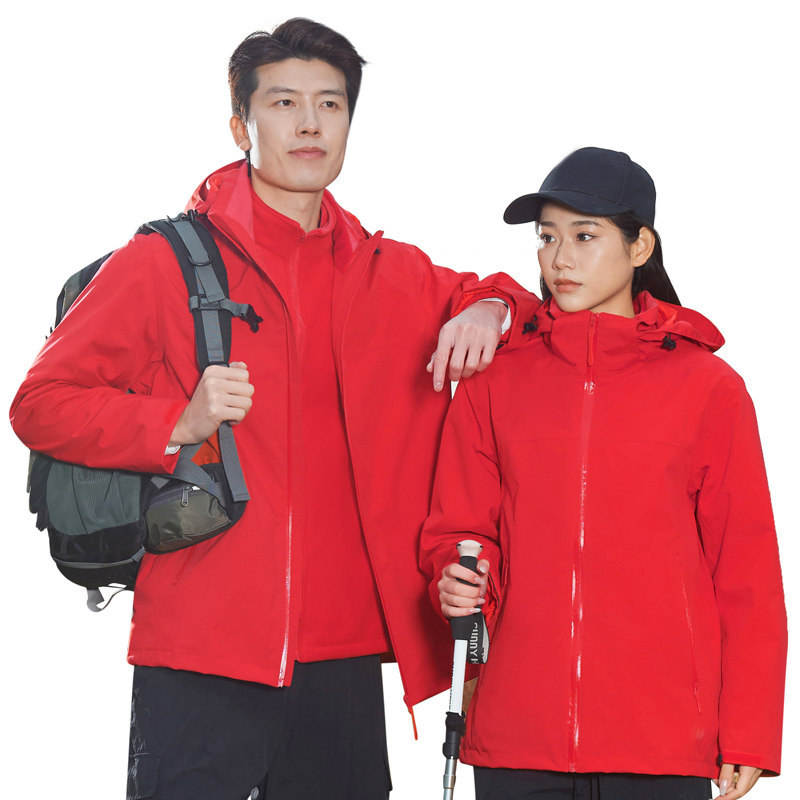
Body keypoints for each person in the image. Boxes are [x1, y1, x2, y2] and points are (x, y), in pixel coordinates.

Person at [9, 18, 528, 800]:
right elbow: (40, 404)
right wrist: (175, 424)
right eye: (284, 103)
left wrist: (489, 306)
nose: (310, 124)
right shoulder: (163, 261)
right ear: (240, 125)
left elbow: (513, 301)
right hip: (202, 650)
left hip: (344, 658)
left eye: (331, 104)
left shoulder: (387, 272)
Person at [421, 147, 787, 800]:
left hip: (661, 741)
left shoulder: (709, 389)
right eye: (547, 238)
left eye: (585, 236)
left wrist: (748, 731)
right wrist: (457, 577)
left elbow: (746, 572)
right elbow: (459, 529)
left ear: (640, 245)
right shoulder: (494, 382)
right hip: (517, 736)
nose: (560, 259)